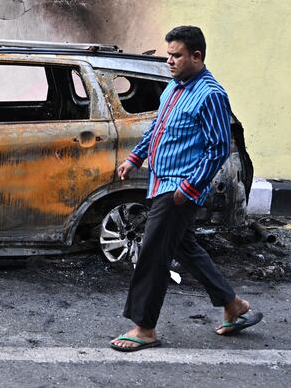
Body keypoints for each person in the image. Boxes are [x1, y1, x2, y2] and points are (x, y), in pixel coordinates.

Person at [109, 25, 262, 352]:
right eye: (168, 54)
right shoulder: (174, 89)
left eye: (176, 55)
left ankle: (144, 328)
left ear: (197, 56)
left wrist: (189, 188)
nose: (170, 61)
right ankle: (232, 306)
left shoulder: (211, 95)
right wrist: (135, 158)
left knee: (152, 252)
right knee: (183, 247)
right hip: (161, 181)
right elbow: (157, 127)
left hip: (179, 188)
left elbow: (218, 148)